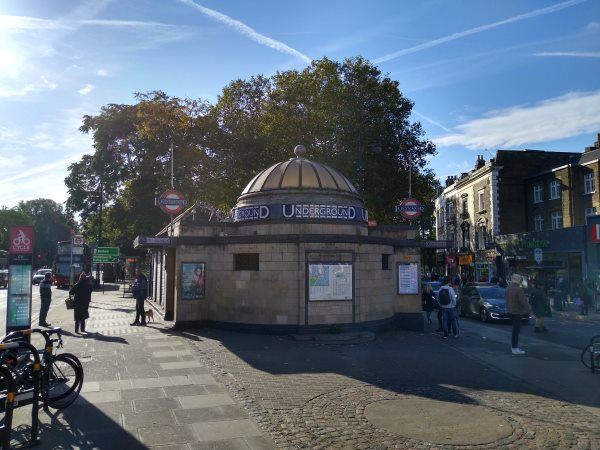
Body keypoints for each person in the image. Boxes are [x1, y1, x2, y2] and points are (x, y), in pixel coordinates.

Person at [505, 274, 532, 355]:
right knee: (516, 331)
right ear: (519, 280)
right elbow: (523, 301)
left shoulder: (508, 288)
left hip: (510, 311)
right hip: (517, 312)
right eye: (520, 280)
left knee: (514, 330)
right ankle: (514, 348)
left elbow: (506, 299)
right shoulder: (518, 289)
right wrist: (530, 310)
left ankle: (514, 347)